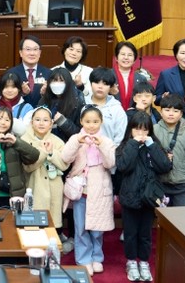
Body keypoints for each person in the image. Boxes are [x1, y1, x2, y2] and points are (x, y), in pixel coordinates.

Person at [115, 111, 173, 282]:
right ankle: (131, 262)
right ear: (130, 129)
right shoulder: (124, 146)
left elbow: (165, 166)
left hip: (149, 198)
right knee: (130, 233)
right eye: (137, 129)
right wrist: (134, 144)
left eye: (144, 130)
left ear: (150, 131)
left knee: (145, 234)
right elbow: (123, 166)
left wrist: (151, 145)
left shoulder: (154, 145)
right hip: (130, 196)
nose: (141, 133)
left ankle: (144, 262)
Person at [61, 105, 116, 276]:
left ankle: (97, 257)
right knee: (81, 228)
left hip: (100, 192)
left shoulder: (107, 141)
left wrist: (102, 146)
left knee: (98, 228)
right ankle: (84, 259)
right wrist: (78, 142)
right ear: (81, 122)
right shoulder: (76, 138)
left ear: (101, 122)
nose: (91, 125)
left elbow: (110, 164)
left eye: (95, 121)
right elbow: (65, 158)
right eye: (88, 121)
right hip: (81, 191)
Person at [21, 107, 70, 230]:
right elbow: (27, 167)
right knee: (34, 225)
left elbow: (65, 165)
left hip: (54, 187)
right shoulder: (24, 140)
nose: (41, 123)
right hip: (33, 187)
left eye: (45, 120)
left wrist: (52, 153)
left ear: (51, 124)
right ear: (31, 122)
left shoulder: (57, 141)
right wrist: (43, 152)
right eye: (37, 120)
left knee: (52, 225)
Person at [153, 94, 185, 207]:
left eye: (175, 111)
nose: (171, 114)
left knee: (182, 216)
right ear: (161, 112)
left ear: (180, 114)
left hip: (182, 185)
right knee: (160, 216)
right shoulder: (154, 130)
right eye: (167, 110)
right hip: (159, 183)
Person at [39, 68, 85, 142]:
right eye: (55, 80)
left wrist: (63, 122)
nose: (57, 84)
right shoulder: (44, 100)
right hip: (46, 143)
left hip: (69, 145)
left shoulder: (77, 101)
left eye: (61, 80)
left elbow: (81, 133)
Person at [4, 35, 51, 107]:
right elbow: (5, 99)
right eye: (28, 49)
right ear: (20, 53)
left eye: (35, 49)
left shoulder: (49, 73)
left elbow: (54, 100)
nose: (32, 53)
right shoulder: (11, 73)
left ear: (40, 53)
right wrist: (22, 94)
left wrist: (45, 94)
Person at [85, 67, 127, 146]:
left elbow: (119, 137)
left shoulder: (117, 109)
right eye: (97, 82)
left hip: (108, 151)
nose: (100, 87)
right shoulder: (83, 103)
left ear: (110, 87)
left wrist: (109, 150)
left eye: (105, 84)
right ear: (90, 83)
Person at [0, 72, 34, 137]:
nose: (9, 90)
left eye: (13, 87)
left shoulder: (27, 108)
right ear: (1, 89)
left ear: (19, 89)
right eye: (6, 87)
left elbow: (27, 133)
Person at [111, 41, 150, 110]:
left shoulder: (141, 79)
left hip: (134, 114)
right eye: (123, 54)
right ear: (116, 58)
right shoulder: (108, 75)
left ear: (134, 60)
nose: (126, 57)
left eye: (130, 55)